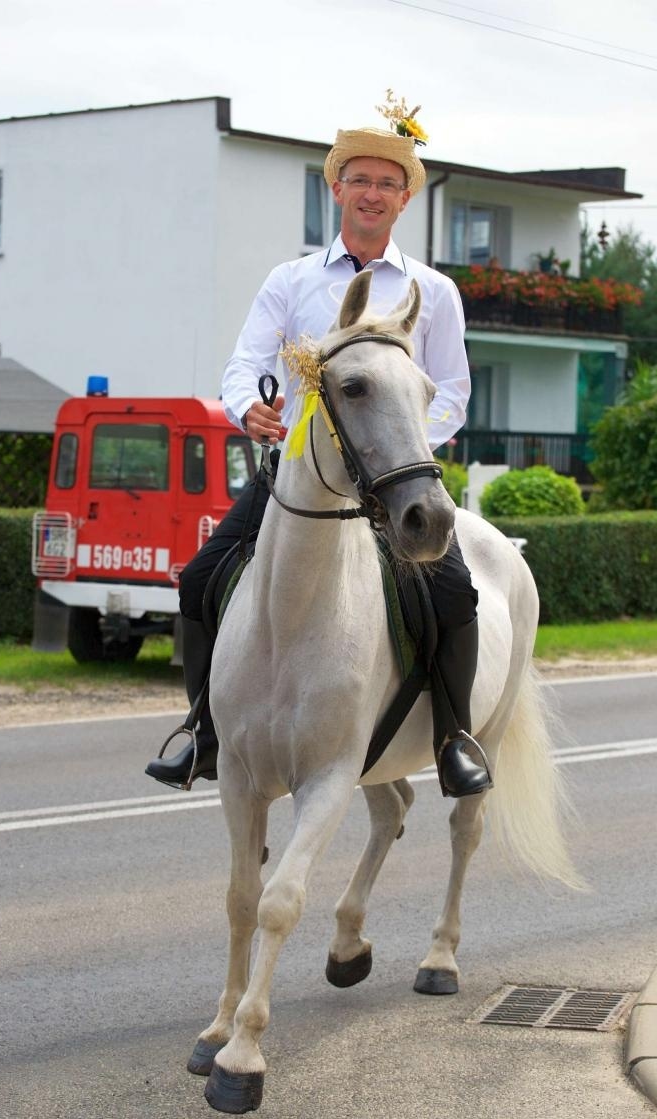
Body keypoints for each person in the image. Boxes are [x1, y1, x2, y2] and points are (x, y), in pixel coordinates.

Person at [146, 101, 490, 799]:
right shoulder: (292, 281)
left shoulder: (435, 291)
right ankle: (205, 732)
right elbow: (245, 364)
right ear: (336, 188)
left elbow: (453, 391)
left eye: (387, 183)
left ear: (405, 197)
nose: (372, 193)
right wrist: (248, 406)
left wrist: (400, 452)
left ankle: (453, 738)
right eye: (359, 179)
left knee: (455, 592)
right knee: (200, 579)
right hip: (295, 477)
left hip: (394, 482)